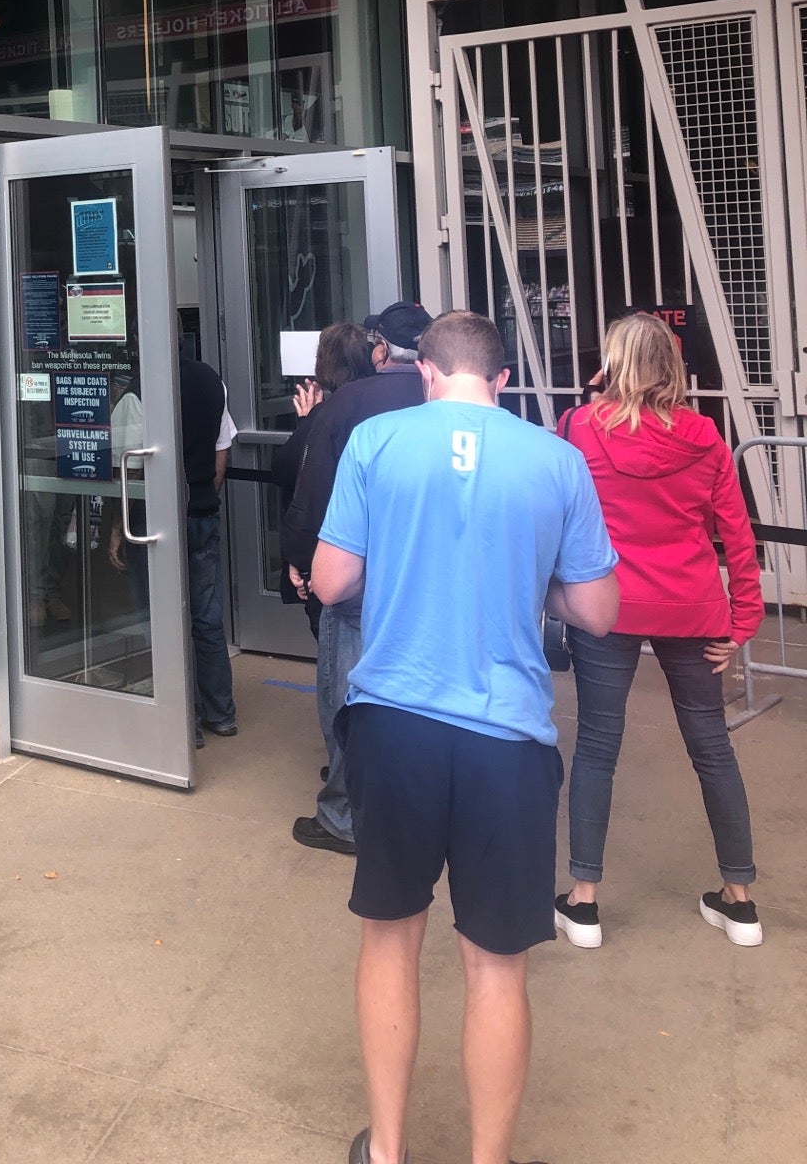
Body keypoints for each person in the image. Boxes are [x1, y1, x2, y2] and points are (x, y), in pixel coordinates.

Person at [313, 311, 619, 1164]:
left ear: (425, 373)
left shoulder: (377, 441)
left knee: (390, 937)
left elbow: (335, 578)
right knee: (495, 966)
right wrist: (540, 587)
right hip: (507, 743)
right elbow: (598, 610)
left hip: (395, 725)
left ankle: (389, 1151)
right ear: (504, 383)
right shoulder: (557, 459)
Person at [553, 312, 765, 950]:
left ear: (610, 364)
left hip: (607, 605)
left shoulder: (577, 429)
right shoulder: (705, 438)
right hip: (693, 608)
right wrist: (745, 618)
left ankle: (584, 904)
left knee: (596, 745)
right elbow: (737, 536)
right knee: (713, 748)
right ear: (676, 368)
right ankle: (740, 902)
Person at [291, 302, 431, 853]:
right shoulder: (449, 403)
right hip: (425, 575)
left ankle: (344, 816)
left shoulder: (348, 403)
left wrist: (302, 562)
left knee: (346, 694)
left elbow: (316, 494)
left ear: (380, 349)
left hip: (356, 576)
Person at [109, 348, 238, 748]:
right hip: (201, 514)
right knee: (206, 618)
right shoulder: (209, 379)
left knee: (161, 619)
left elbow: (127, 467)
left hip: (155, 521)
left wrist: (117, 525)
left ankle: (184, 722)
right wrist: (201, 496)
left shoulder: (137, 391)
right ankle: (220, 714)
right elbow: (222, 450)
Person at [272, 321, 377, 638]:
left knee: (338, 662)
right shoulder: (384, 407)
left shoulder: (328, 415)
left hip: (335, 560)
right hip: (381, 556)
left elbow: (290, 473)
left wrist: (307, 422)